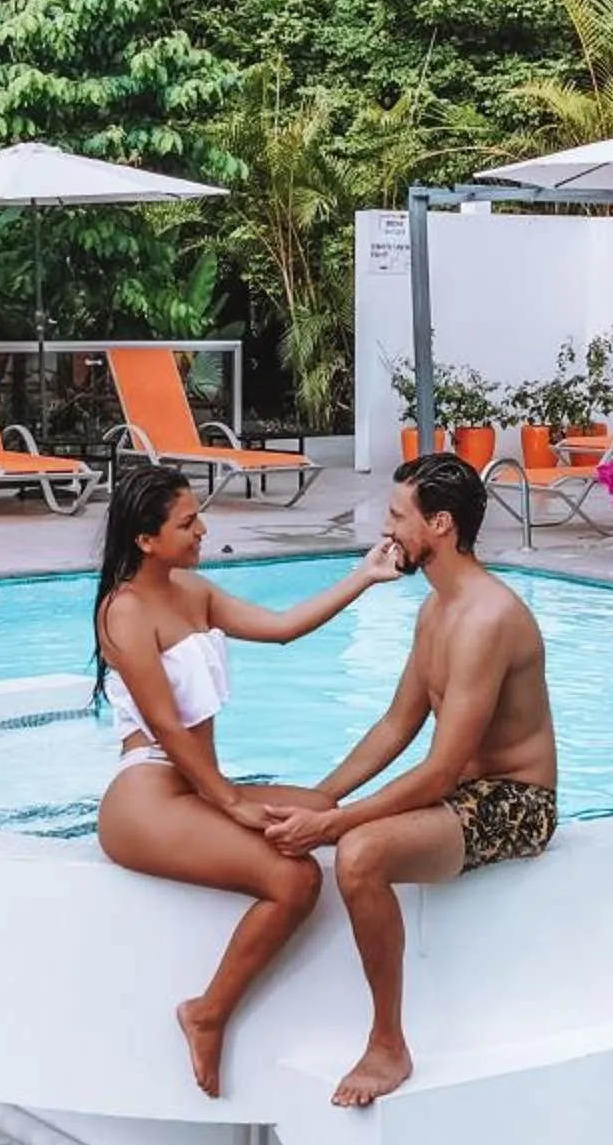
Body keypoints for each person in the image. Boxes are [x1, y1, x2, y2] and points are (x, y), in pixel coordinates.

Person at [94, 464, 400, 1096]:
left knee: (319, 809)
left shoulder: (193, 591)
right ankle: (207, 1013)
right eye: (187, 522)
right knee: (294, 879)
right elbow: (167, 730)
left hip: (194, 784)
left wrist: (364, 577)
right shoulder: (124, 612)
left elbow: (284, 629)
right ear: (147, 539)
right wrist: (229, 801)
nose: (203, 529)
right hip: (148, 794)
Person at [266, 453, 558, 1107]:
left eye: (398, 516)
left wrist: (336, 824)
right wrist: (322, 797)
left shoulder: (487, 619)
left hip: (516, 802)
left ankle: (388, 1043)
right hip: (460, 795)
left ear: (441, 525)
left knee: (359, 855)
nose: (386, 527)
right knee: (294, 810)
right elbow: (396, 725)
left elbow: (441, 770)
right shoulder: (436, 612)